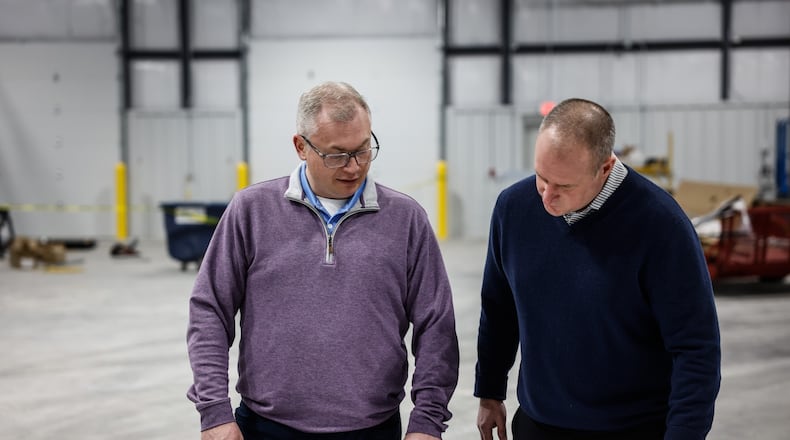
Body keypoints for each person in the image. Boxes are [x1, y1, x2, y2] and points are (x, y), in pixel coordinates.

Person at [187, 81, 459, 440]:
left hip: (373, 430)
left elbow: (436, 325)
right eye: (337, 154)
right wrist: (214, 412)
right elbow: (210, 309)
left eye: (363, 150)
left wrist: (427, 422)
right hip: (266, 428)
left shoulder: (406, 219)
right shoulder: (251, 211)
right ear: (301, 146)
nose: (354, 167)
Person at [475, 98, 721, 440]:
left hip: (632, 429)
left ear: (605, 168)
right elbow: (499, 309)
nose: (546, 197)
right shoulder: (513, 208)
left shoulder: (661, 226)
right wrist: (489, 390)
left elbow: (695, 348)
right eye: (541, 178)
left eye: (564, 186)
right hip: (538, 424)